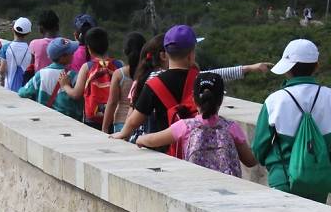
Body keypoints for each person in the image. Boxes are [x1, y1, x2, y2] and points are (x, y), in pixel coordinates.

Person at [112, 25, 271, 155]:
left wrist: (123, 133)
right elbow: (220, 74)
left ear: (166, 53)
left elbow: (134, 119)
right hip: (195, 149)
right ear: (191, 55)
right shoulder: (200, 79)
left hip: (166, 150)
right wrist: (250, 68)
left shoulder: (154, 84)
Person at [251, 39, 331, 203]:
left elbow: (258, 148)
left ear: (287, 69)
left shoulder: (275, 101)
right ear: (316, 66)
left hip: (284, 180)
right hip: (318, 183)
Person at [136, 72, 256, 175]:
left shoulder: (186, 126)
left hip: (198, 186)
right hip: (229, 190)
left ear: (194, 99)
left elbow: (153, 140)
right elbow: (250, 161)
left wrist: (140, 139)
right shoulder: (231, 127)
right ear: (221, 100)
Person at [58, 27, 123, 129]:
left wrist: (65, 85)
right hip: (115, 117)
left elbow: (76, 94)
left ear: (89, 48)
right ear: (107, 46)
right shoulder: (119, 65)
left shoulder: (87, 67)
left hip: (92, 118)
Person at [18, 38, 82, 120]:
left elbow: (23, 92)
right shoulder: (73, 76)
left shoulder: (41, 74)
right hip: (69, 121)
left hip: (46, 119)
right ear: (63, 57)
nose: (73, 54)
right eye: (71, 52)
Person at [102, 32, 146, 133]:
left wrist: (104, 127)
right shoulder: (148, 73)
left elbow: (112, 102)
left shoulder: (119, 74)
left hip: (121, 122)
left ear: (125, 51)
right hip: (140, 123)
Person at [0, 17, 32, 92]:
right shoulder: (30, 49)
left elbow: (2, 69)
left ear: (13, 30)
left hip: (8, 87)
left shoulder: (6, 48)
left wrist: (1, 82)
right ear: (28, 33)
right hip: (24, 89)